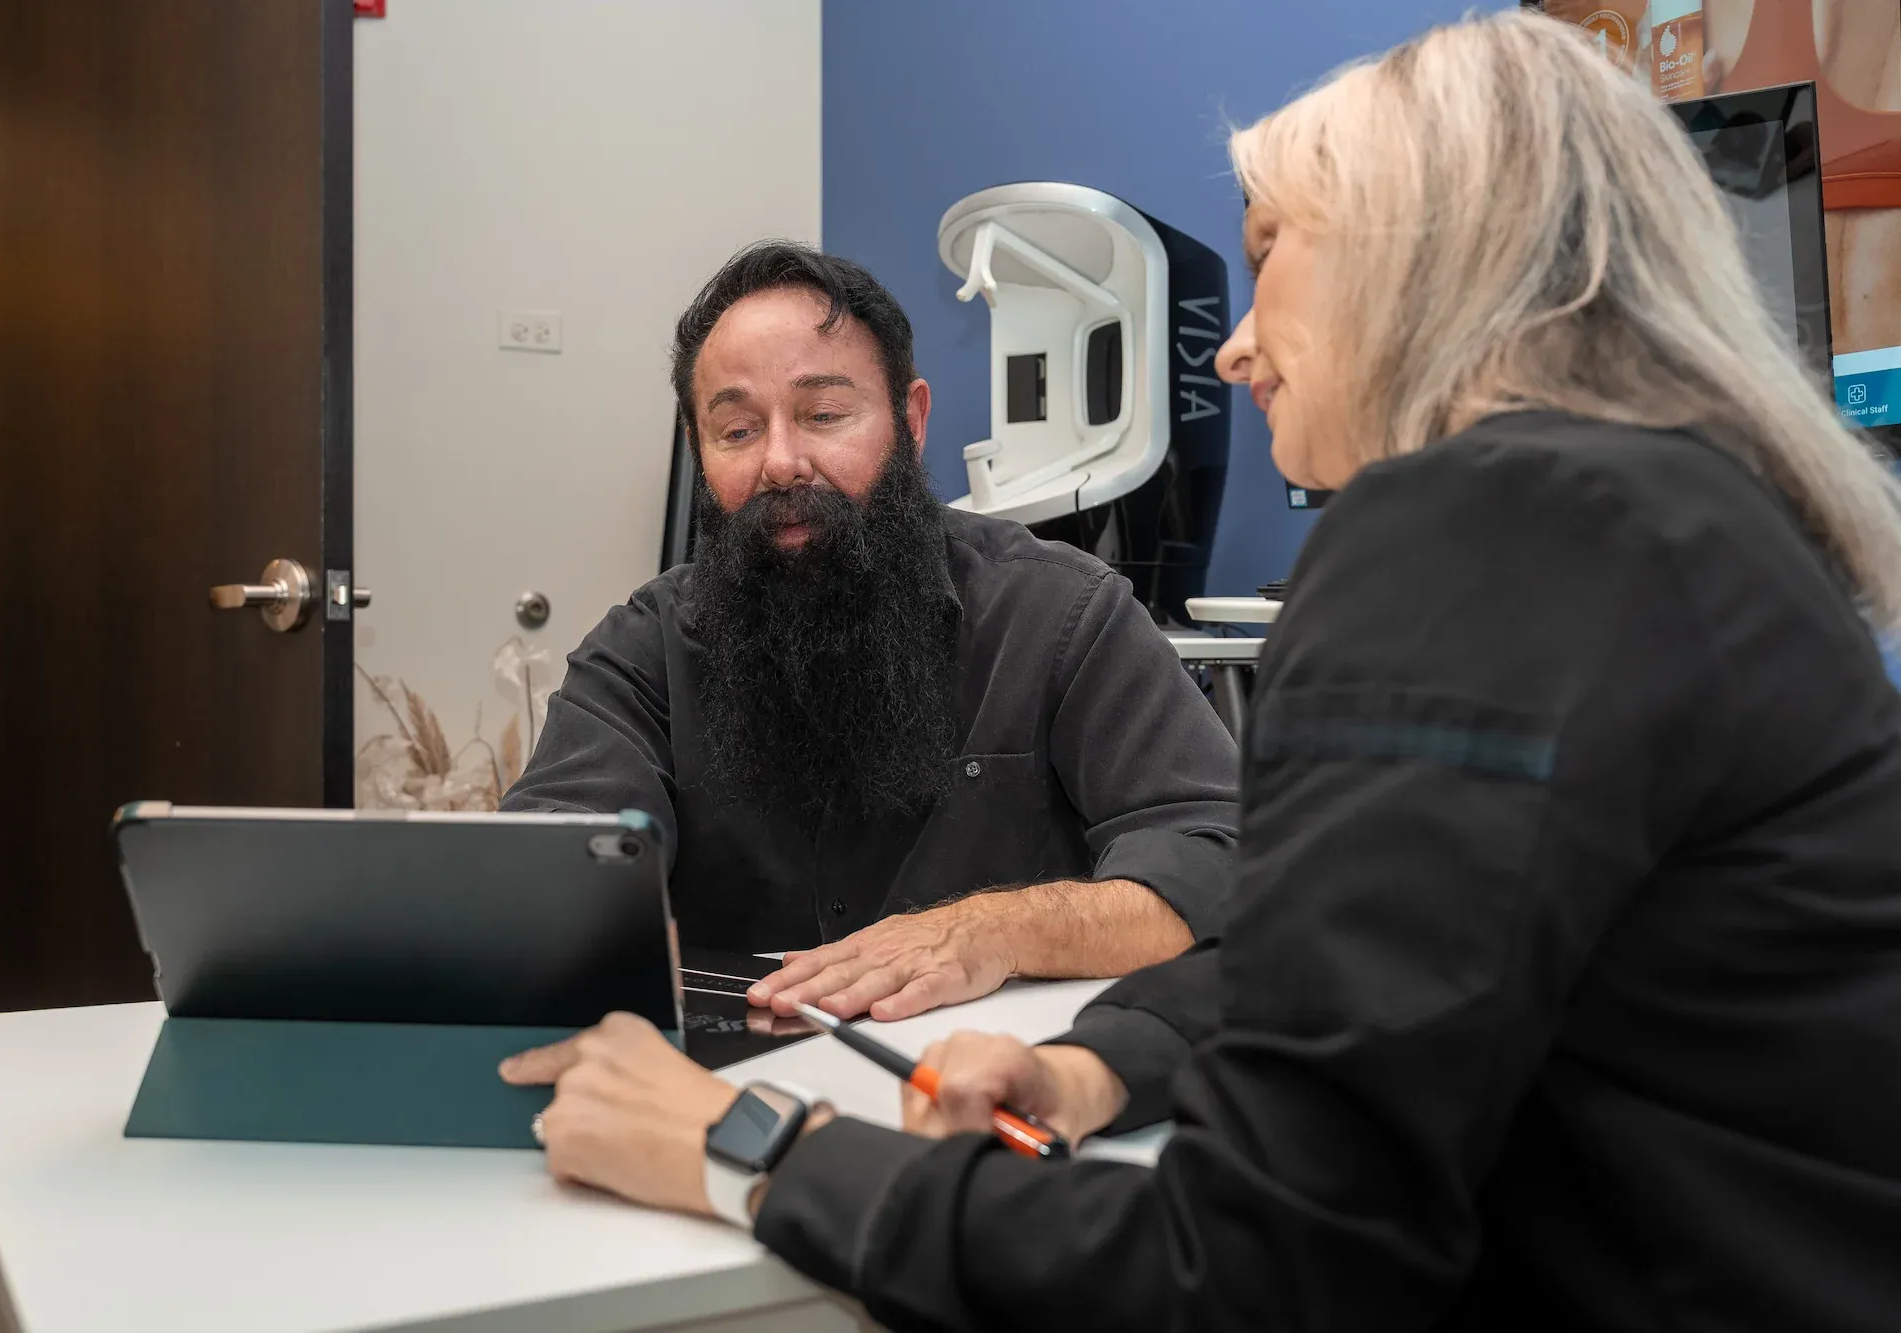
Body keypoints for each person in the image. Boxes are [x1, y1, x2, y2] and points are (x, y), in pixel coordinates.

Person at [502, 13, 1901, 1329]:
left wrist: (748, 1152)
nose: (1233, 348)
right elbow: (1387, 967)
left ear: (1416, 259)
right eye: (735, 427)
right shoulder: (1662, 527)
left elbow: (1249, 1268)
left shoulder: (1475, 541)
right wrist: (1091, 1062)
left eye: (1273, 247)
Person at [500, 242, 1241, 1023]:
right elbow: (544, 873)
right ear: (700, 448)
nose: (782, 463)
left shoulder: (1061, 617)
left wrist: (992, 927)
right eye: (738, 430)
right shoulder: (642, 651)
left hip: (988, 1084)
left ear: (911, 421)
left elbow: (1218, 858)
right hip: (720, 1088)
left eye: (824, 415)